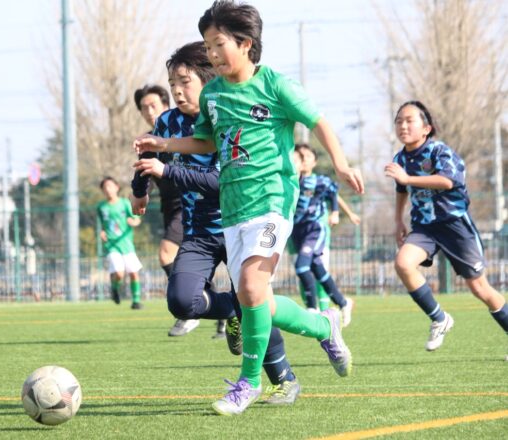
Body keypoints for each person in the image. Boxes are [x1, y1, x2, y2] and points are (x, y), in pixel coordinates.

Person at [134, 0, 363, 415]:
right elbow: (206, 141)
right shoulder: (214, 94)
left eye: (218, 44)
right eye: (207, 46)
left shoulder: (275, 85)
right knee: (257, 301)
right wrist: (164, 144)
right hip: (234, 208)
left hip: (273, 201)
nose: (212, 53)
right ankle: (322, 324)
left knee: (253, 289)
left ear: (245, 43)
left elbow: (319, 121)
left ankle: (248, 383)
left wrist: (342, 164)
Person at [133, 41, 302, 405]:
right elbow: (147, 152)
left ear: (207, 81)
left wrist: (167, 170)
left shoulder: (225, 117)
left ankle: (284, 379)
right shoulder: (168, 122)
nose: (177, 91)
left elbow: (219, 180)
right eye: (172, 83)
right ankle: (232, 307)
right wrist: (139, 191)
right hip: (198, 232)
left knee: (253, 298)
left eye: (185, 82)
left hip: (239, 226)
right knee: (182, 301)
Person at [384, 100, 508, 353]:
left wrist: (407, 178)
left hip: (455, 225)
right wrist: (398, 220)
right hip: (425, 227)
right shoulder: (400, 158)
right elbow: (401, 189)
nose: (403, 126)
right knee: (403, 264)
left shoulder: (439, 151)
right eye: (399, 121)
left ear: (426, 128)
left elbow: (447, 181)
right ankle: (439, 318)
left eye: (409, 121)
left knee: (480, 288)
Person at [133, 85, 203, 336]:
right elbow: (145, 172)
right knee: (190, 265)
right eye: (144, 108)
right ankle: (219, 310)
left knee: (166, 254)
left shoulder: (183, 131)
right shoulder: (149, 140)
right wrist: (140, 193)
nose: (149, 111)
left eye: (153, 105)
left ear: (166, 105)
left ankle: (190, 312)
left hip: (190, 203)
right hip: (170, 206)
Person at [291, 143, 355, 326]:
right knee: (318, 269)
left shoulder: (320, 181)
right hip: (297, 231)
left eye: (306, 156)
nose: (303, 160)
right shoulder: (291, 182)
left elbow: (333, 192)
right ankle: (343, 303)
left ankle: (312, 309)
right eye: (299, 157)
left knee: (302, 267)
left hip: (315, 228)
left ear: (313, 162)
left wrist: (335, 213)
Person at [97, 177, 143, 309]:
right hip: (111, 245)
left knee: (133, 272)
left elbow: (136, 219)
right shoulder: (101, 207)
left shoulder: (124, 203)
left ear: (117, 187)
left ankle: (136, 301)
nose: (108, 189)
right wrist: (102, 232)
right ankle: (114, 288)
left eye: (110, 186)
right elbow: (102, 225)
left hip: (126, 244)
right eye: (105, 187)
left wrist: (134, 222)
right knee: (119, 273)